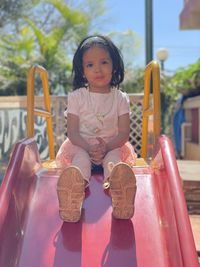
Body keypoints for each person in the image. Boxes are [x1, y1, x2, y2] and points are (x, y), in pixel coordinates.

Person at [56, 35, 137, 223]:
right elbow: (73, 132)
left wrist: (107, 147)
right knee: (80, 161)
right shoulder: (77, 97)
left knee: (114, 162)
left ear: (114, 65)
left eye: (104, 62)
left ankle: (122, 197)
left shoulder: (120, 98)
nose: (98, 69)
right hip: (81, 145)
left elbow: (123, 133)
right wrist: (88, 147)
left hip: (112, 145)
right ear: (82, 71)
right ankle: (71, 198)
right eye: (90, 65)